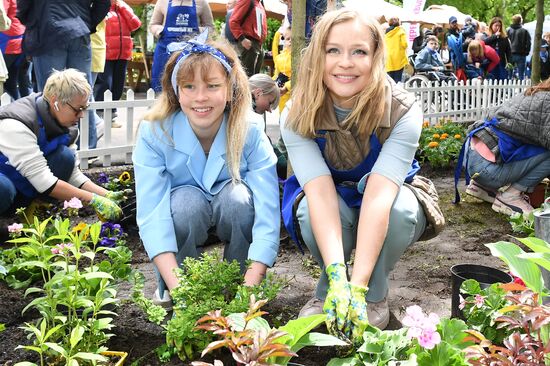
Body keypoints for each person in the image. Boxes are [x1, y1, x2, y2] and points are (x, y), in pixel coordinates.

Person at [280, 9, 429, 336]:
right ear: (318, 55)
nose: (345, 62)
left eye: (359, 51)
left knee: (401, 212)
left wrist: (357, 286)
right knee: (307, 210)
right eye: (333, 50)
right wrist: (338, 277)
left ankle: (373, 293)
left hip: (384, 196)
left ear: (376, 56)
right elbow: (319, 192)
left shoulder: (402, 110)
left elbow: (379, 197)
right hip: (330, 195)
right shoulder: (297, 111)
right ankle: (328, 289)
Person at [133, 32, 280, 305]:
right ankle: (187, 286)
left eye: (212, 86)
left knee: (239, 199)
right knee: (185, 203)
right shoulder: (154, 131)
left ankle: (238, 284)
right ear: (175, 90)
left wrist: (250, 290)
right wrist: (182, 295)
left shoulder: (249, 129)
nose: (201, 98)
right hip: (183, 215)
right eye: (189, 87)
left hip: (232, 211)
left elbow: (267, 211)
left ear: (229, 88)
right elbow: (153, 214)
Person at [0, 69, 124, 221]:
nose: (82, 115)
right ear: (55, 102)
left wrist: (106, 195)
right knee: (3, 189)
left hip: (21, 180)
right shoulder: (18, 124)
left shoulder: (68, 126)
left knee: (65, 158)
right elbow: (43, 182)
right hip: (5, 182)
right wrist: (93, 200)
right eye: (78, 109)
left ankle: (30, 212)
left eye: (84, 108)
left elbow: (72, 173)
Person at [16, 0, 110, 150]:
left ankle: (54, 145)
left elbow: (22, 5)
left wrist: (31, 20)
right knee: (83, 92)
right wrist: (87, 23)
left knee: (50, 93)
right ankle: (88, 147)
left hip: (47, 31)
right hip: (79, 30)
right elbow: (104, 3)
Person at [460, 78, 550, 216]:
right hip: (487, 169)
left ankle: (482, 187)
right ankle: (510, 197)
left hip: (471, 156)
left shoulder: (536, 93)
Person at [95, 0, 142, 127]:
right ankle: (99, 115)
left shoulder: (122, 7)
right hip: (106, 54)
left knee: (118, 86)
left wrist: (123, 7)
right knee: (105, 84)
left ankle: (111, 117)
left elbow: (136, 24)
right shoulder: (101, 6)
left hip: (123, 54)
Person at [149, 0, 214, 91]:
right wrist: (160, 31)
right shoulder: (162, 1)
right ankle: (161, 102)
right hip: (165, 49)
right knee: (161, 78)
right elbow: (153, 24)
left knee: (188, 78)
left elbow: (210, 26)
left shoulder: (201, 2)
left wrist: (198, 31)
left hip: (191, 50)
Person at [228, 0, 268, 77]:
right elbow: (233, 21)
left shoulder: (260, 3)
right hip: (249, 43)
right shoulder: (248, 1)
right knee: (247, 77)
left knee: (255, 78)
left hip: (258, 44)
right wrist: (242, 39)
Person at [273, 27, 292, 113]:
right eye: (288, 39)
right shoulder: (279, 58)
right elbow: (276, 74)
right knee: (283, 115)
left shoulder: (301, 56)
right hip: (282, 95)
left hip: (293, 93)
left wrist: (287, 86)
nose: (290, 41)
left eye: (293, 38)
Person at [507, 14, 531, 80]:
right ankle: (521, 89)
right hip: (521, 54)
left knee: (509, 73)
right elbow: (528, 42)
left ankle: (509, 89)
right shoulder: (525, 30)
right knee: (521, 74)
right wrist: (527, 52)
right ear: (521, 20)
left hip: (510, 54)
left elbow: (506, 42)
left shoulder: (508, 30)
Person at [384, 16, 408, 83]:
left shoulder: (386, 32)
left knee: (390, 79)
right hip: (398, 58)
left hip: (389, 58)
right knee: (398, 79)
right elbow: (404, 44)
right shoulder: (401, 31)